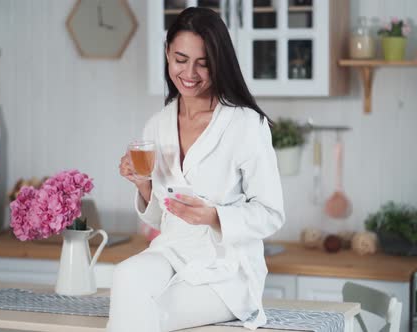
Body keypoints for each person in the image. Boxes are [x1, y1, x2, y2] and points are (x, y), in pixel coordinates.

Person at [109, 7, 285, 332]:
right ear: (166, 53)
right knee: (124, 276)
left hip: (228, 268)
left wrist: (214, 216)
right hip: (171, 252)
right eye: (180, 59)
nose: (190, 73)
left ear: (219, 64)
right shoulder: (157, 125)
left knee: (152, 312)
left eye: (203, 63)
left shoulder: (245, 124)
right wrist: (142, 184)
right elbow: (159, 216)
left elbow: (271, 213)